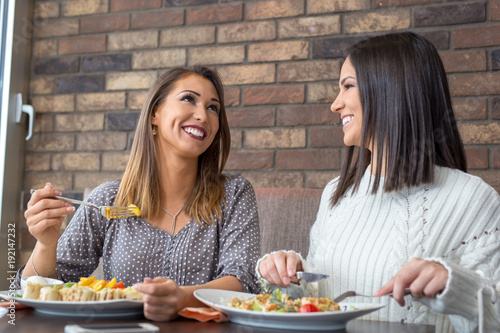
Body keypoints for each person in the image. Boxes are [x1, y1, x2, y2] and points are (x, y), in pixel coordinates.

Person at [257, 32, 500, 333]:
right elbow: (318, 299)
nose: (335, 105)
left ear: (391, 89)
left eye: (348, 86)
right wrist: (290, 279)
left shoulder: (473, 200)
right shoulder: (336, 194)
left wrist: (456, 287)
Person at [21, 65, 260, 321]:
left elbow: (243, 281)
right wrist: (45, 244)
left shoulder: (234, 195)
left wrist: (182, 298)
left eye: (213, 107)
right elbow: (39, 291)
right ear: (155, 112)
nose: (202, 114)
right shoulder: (108, 200)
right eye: (189, 99)